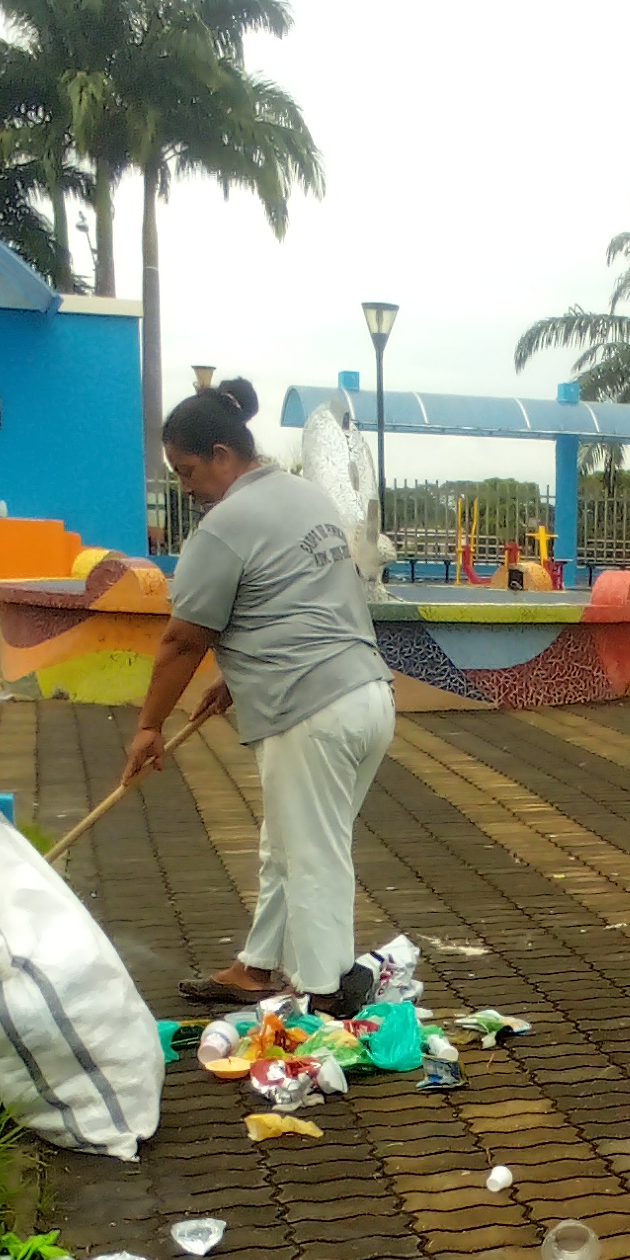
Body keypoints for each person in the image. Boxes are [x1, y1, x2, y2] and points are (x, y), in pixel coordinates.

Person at [128, 379, 397, 1015]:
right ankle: (257, 966)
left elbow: (181, 640)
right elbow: (301, 600)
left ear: (222, 455)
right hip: (366, 697)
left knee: (311, 855)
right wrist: (237, 676)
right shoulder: (307, 497)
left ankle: (327, 997)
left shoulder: (225, 526)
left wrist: (148, 728)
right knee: (290, 842)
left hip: (310, 716)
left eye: (187, 470)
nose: (185, 486)